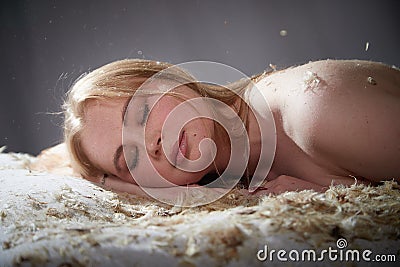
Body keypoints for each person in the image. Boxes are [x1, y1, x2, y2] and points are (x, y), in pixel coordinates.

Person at [60, 58, 400, 197]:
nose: (151, 143)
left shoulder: (314, 114)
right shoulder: (242, 163)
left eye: (141, 110)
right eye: (130, 158)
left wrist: (339, 193)